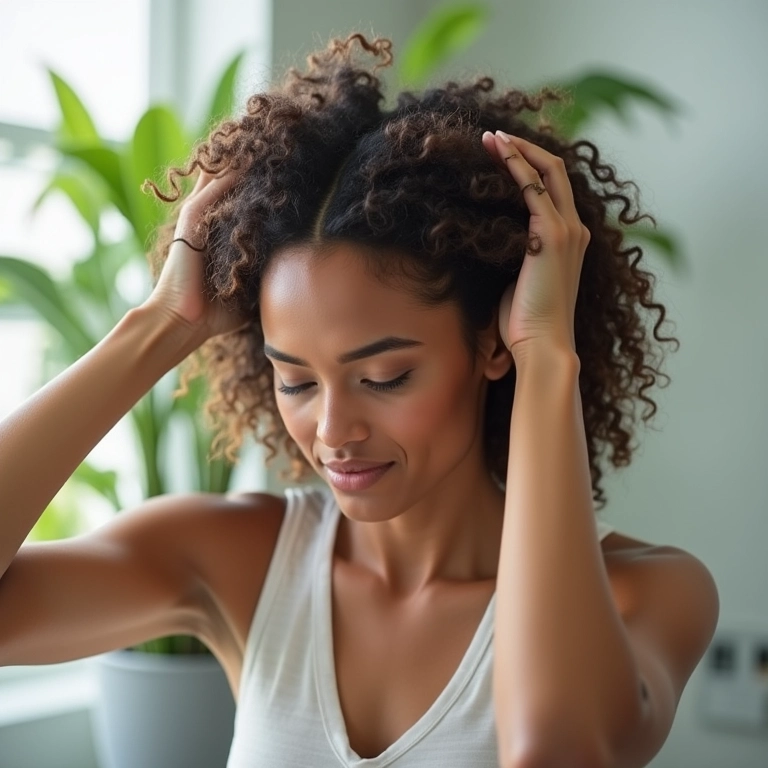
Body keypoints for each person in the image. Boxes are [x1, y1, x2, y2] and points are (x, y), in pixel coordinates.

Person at [0, 32, 719, 768]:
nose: (332, 432)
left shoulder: (651, 592)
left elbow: (557, 748)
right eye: (298, 382)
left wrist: (546, 354)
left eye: (384, 378)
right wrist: (160, 326)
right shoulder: (237, 561)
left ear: (492, 344)